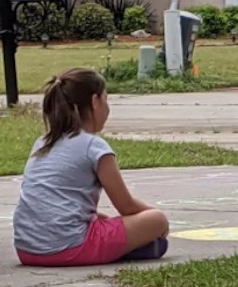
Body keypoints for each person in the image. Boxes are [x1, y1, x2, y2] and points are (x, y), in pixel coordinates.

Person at [12, 67, 170, 267]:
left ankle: (132, 248)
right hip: (69, 247)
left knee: (100, 218)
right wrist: (158, 221)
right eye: (106, 99)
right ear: (95, 102)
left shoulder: (42, 143)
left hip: (27, 250)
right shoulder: (93, 146)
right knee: (156, 220)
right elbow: (126, 206)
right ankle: (135, 247)